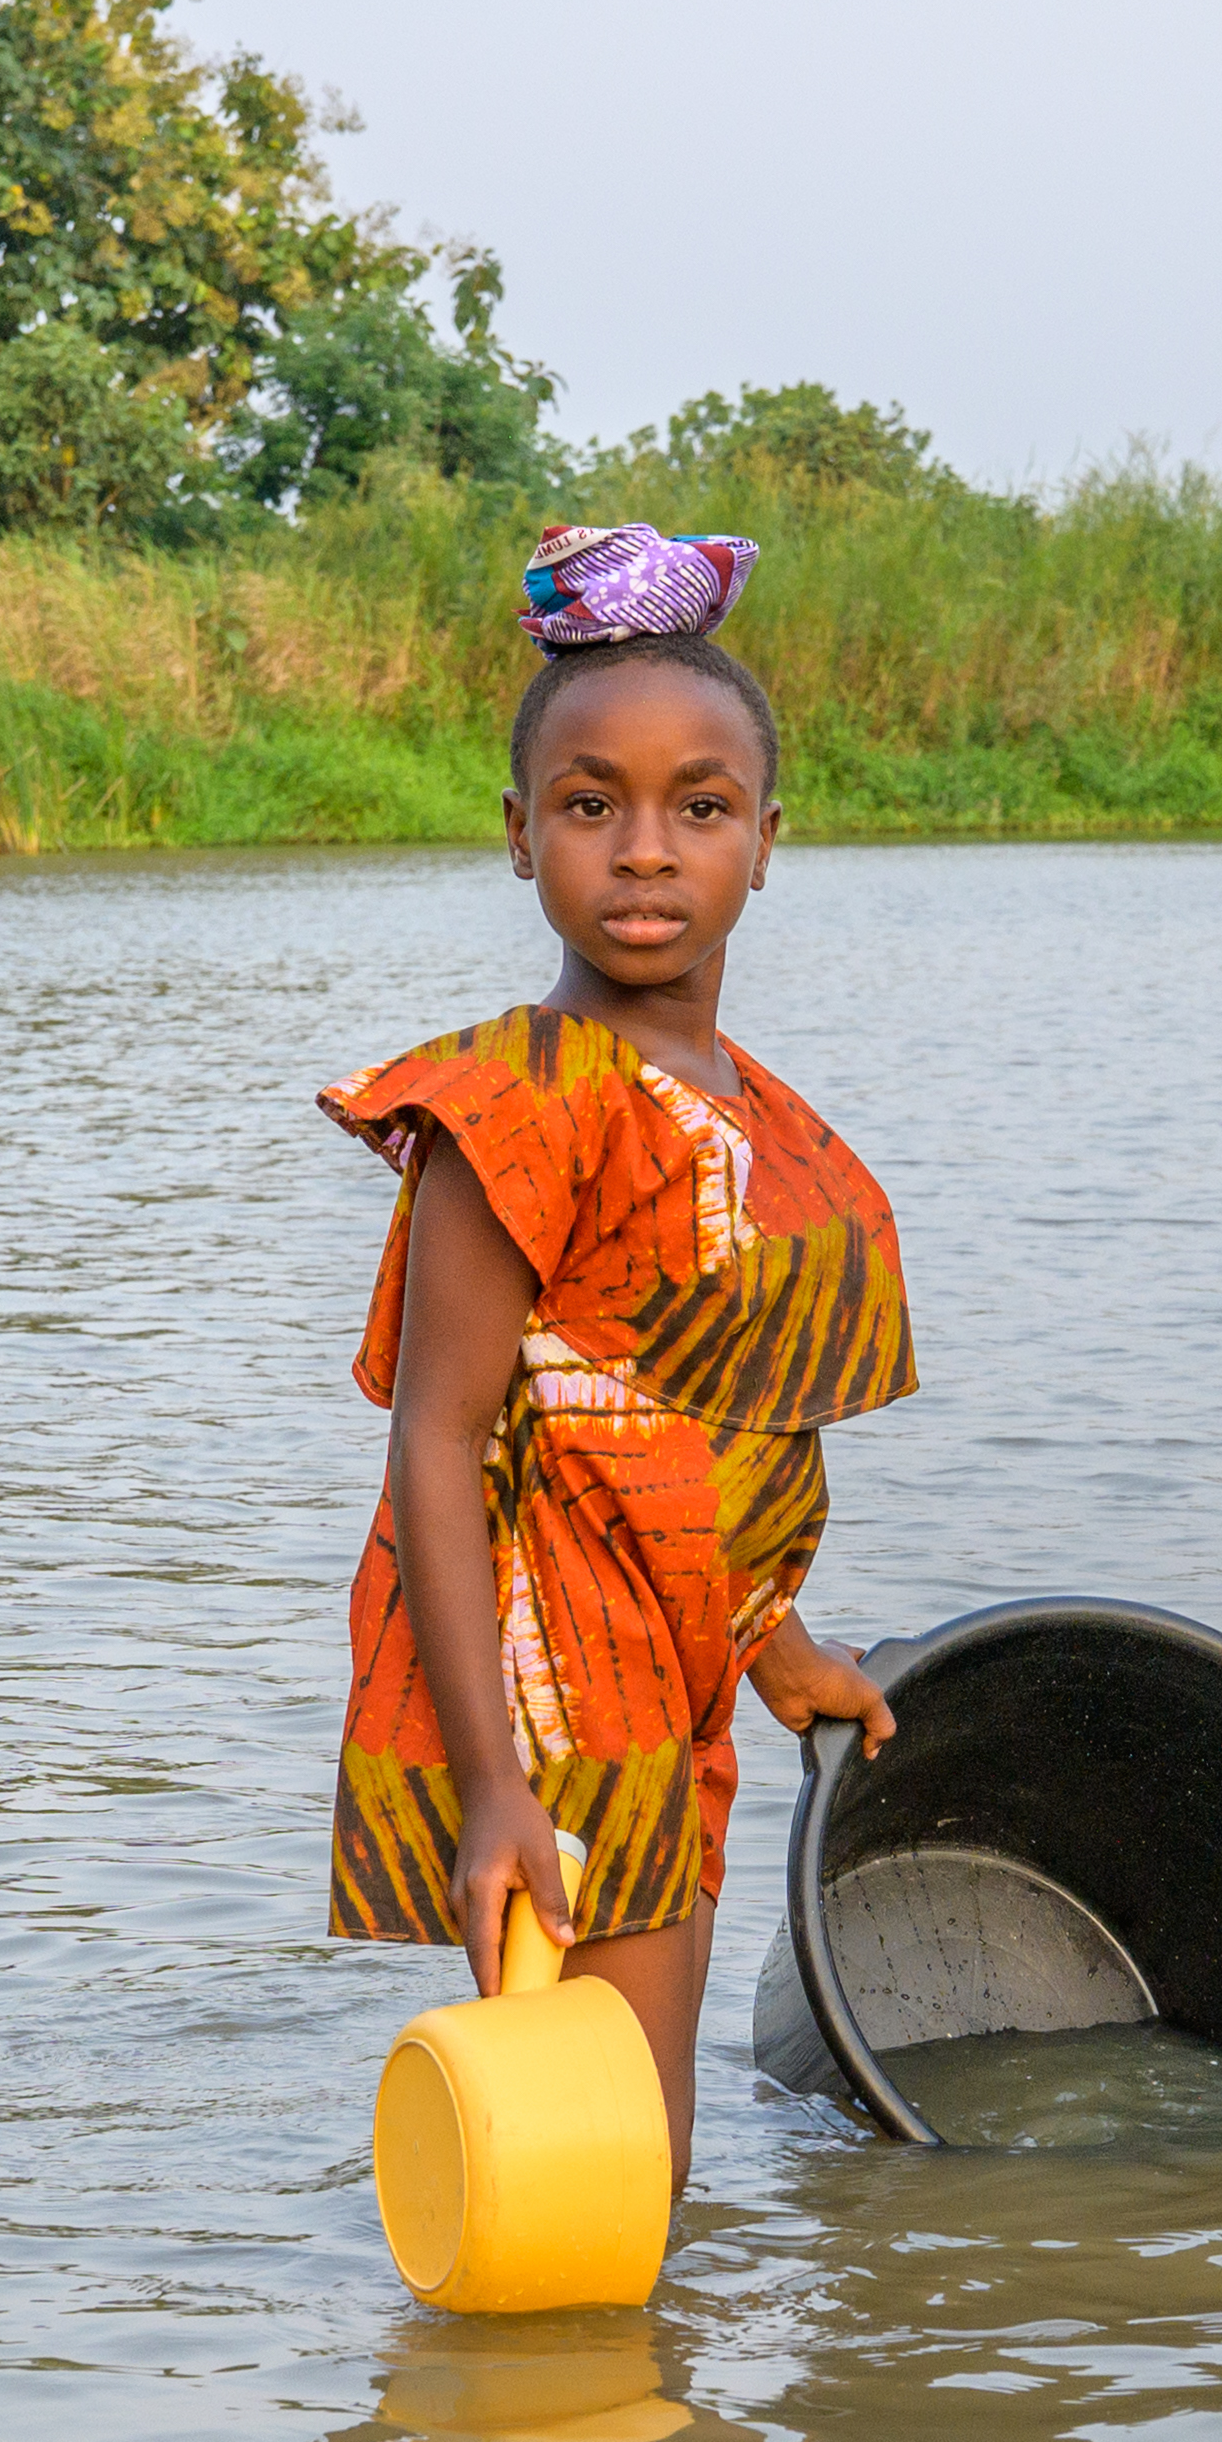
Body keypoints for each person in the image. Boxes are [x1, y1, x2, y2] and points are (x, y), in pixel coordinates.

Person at [319, 524, 917, 2187]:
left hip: (670, 1673)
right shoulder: (517, 1099)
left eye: (697, 807)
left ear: (765, 842)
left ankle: (605, 2435)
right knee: (602, 2156)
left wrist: (777, 1648)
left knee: (620, 2153)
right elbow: (440, 1440)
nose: (643, 850)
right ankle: (612, 2423)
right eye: (591, 805)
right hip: (551, 1688)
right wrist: (495, 1789)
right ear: (521, 837)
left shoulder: (751, 1115)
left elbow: (671, 1424)